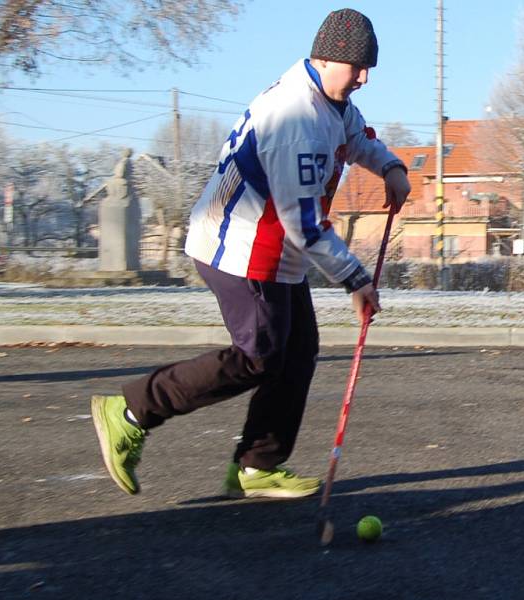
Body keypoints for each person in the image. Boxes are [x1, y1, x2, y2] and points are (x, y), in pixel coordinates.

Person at [91, 8, 411, 499]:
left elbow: (357, 136)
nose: (364, 77)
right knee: (258, 357)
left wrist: (389, 167)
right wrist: (355, 279)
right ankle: (132, 411)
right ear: (324, 58)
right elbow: (303, 224)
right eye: (356, 66)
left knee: (297, 353)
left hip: (278, 251)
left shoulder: (332, 102)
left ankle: (257, 466)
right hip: (241, 247)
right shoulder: (295, 118)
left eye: (368, 66)